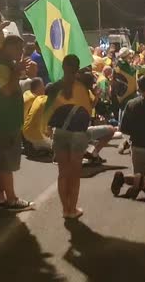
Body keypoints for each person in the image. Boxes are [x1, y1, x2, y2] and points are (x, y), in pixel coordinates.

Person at [0, 35, 34, 211]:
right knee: (6, 163)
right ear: (6, 47)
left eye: (22, 49)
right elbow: (7, 91)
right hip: (4, 121)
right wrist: (16, 72)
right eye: (17, 48)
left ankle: (0, 196)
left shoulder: (4, 63)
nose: (20, 52)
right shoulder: (1, 66)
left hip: (3, 119)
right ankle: (11, 199)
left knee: (0, 161)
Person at [45, 55, 94, 219]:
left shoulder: (55, 87)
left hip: (60, 132)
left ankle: (65, 209)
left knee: (63, 173)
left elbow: (48, 109)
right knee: (74, 173)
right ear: (77, 67)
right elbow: (88, 109)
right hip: (78, 134)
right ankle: (72, 209)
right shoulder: (81, 87)